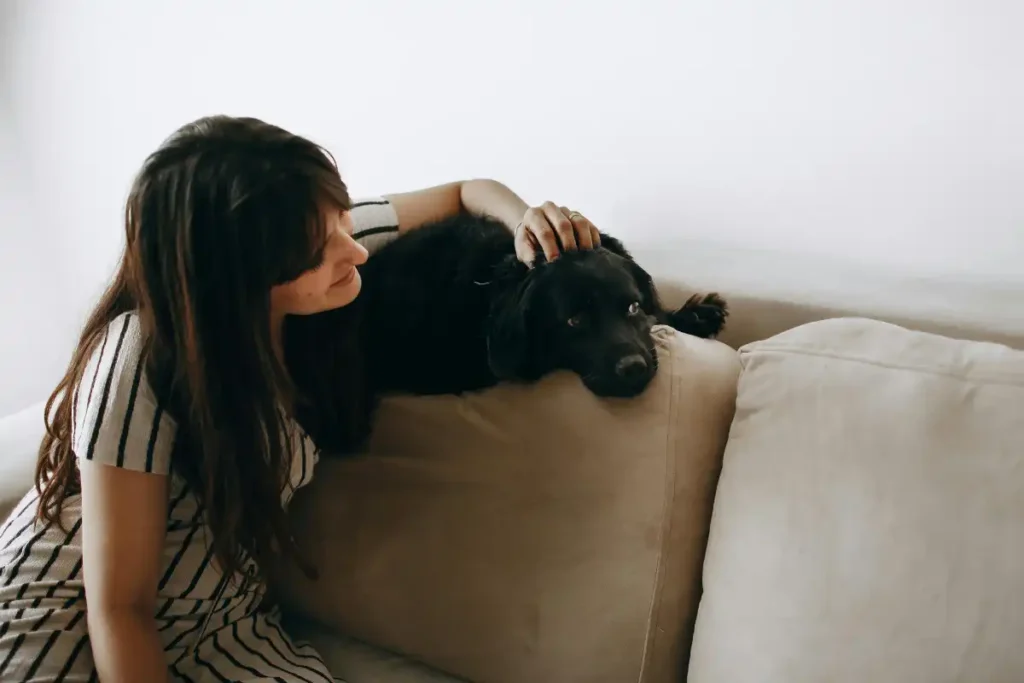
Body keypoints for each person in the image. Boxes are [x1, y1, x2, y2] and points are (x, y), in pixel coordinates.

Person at [0, 115, 602, 682]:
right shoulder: (138, 359)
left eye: (341, 219)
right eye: (320, 250)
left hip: (224, 623)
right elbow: (121, 608)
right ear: (231, 277)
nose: (356, 248)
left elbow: (468, 190)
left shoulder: (314, 245)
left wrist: (527, 217)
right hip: (63, 622)